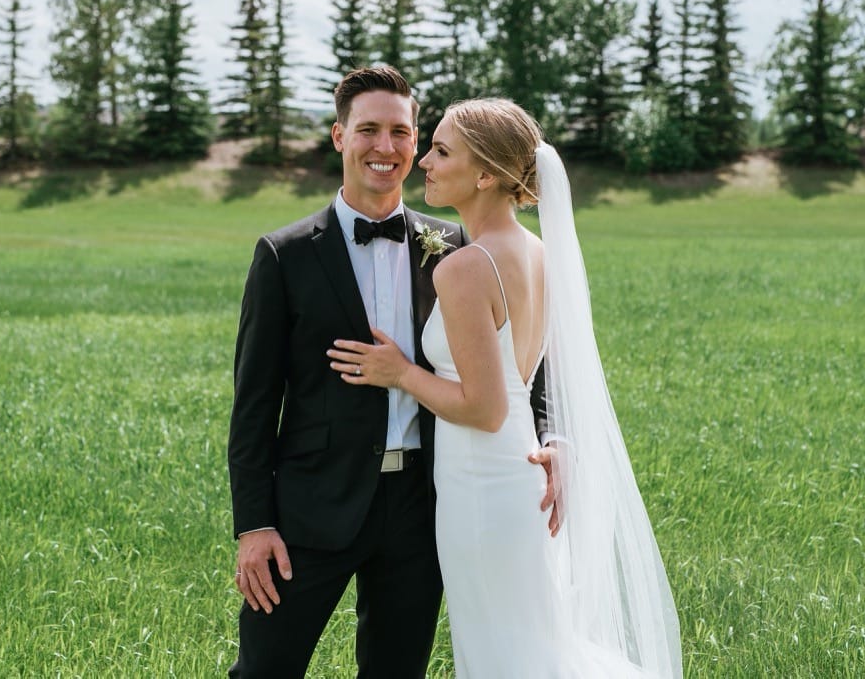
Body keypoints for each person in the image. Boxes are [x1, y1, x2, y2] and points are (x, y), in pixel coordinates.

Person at [330, 98, 681, 678]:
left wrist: (400, 373)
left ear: (487, 174)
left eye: (442, 151)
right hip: (515, 478)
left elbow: (485, 408)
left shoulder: (465, 268)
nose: (426, 163)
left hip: (481, 489)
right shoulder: (535, 252)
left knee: (503, 655)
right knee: (531, 646)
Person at [227, 69, 554, 677]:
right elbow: (252, 403)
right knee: (264, 671)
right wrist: (255, 525)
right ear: (338, 137)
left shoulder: (459, 247)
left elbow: (529, 362)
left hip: (424, 505)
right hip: (311, 507)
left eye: (402, 132)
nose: (388, 147)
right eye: (369, 130)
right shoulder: (284, 255)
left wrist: (552, 437)